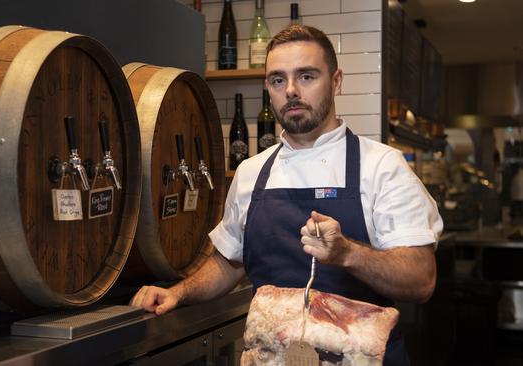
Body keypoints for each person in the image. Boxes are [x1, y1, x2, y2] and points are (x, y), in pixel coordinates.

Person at [130, 25, 442, 365]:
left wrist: (346, 252)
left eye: (306, 76)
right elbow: (229, 261)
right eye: (278, 80)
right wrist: (178, 292)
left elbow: (421, 279)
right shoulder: (251, 172)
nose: (291, 91)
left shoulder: (381, 166)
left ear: (336, 81)